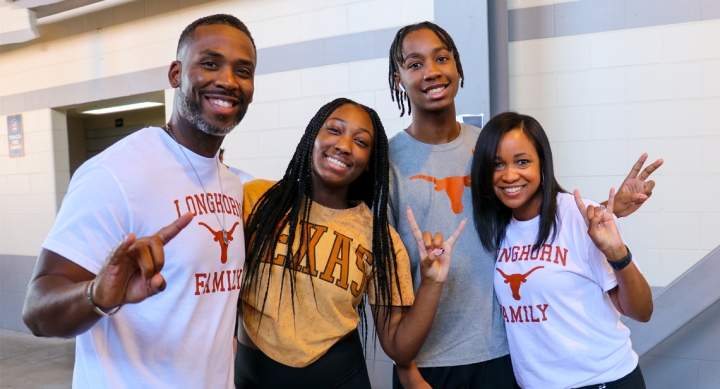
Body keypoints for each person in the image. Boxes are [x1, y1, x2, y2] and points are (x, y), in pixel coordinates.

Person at [385, 21, 663, 388]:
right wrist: (406, 368)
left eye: (441, 58)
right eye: (415, 63)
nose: (432, 71)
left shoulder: (487, 144)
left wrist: (611, 220)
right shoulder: (387, 164)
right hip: (432, 361)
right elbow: (385, 277)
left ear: (457, 66)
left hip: (506, 359)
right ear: (397, 78)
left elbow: (534, 205)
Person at [21, 14, 255, 389]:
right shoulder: (115, 173)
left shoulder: (232, 184)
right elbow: (36, 310)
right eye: (210, 63)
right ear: (176, 74)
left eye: (243, 71)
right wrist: (96, 295)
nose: (228, 80)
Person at [235, 97, 466, 388]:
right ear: (312, 136)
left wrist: (432, 283)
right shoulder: (257, 199)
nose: (344, 145)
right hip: (252, 376)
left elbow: (399, 347)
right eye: (334, 130)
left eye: (361, 141)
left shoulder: (380, 239)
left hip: (338, 378)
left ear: (369, 162)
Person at [470, 112, 654, 388]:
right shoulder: (497, 228)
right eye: (497, 164)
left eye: (522, 161)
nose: (509, 175)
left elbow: (642, 311)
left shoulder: (578, 217)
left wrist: (618, 254)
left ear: (542, 164)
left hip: (602, 382)